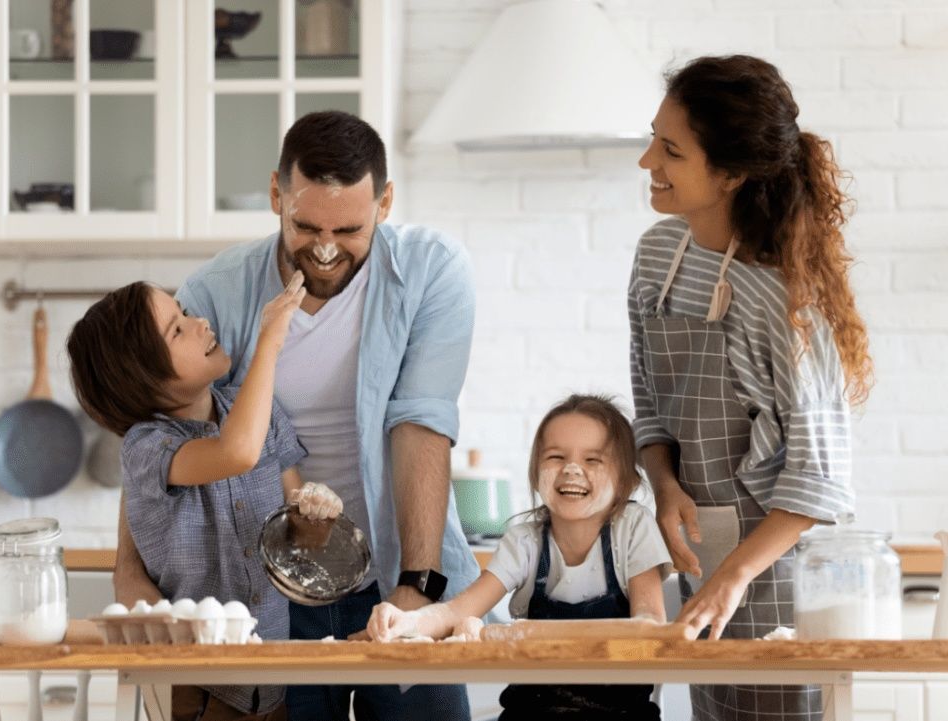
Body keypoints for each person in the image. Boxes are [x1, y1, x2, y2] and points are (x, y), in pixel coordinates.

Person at [113, 110, 476, 721]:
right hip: (271, 596)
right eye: (306, 225)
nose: (327, 248)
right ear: (277, 194)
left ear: (385, 203)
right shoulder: (215, 297)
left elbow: (420, 425)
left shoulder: (430, 271)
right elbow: (162, 438)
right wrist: (130, 575)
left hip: (402, 578)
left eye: (350, 228)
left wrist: (417, 586)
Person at [628, 55, 873, 720]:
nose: (648, 160)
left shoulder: (783, 300)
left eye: (671, 149)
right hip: (700, 562)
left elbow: (818, 476)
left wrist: (735, 573)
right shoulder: (656, 257)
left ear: (732, 173)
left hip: (777, 583)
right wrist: (665, 482)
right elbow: (648, 403)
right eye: (653, 137)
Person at [67, 273, 344, 721]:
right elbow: (234, 453)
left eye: (186, 313)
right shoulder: (146, 448)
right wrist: (270, 340)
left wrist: (316, 517)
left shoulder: (263, 413)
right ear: (142, 377)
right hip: (198, 693)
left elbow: (298, 540)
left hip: (274, 686)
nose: (201, 325)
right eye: (177, 330)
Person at [368, 394, 673, 721]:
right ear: (535, 471)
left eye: (593, 460)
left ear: (627, 481)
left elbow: (649, 633)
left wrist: (578, 650)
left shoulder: (633, 529)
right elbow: (458, 610)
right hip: (532, 712)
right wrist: (408, 622)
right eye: (556, 456)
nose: (571, 469)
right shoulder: (525, 540)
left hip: (622, 713)